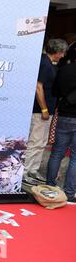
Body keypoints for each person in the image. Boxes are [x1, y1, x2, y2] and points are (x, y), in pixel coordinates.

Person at [23, 39, 68, 184]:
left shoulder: (48, 63)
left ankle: (33, 171)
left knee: (41, 142)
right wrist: (44, 109)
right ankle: (25, 172)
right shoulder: (44, 63)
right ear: (57, 51)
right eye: (62, 53)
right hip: (40, 111)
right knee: (35, 141)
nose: (63, 56)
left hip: (46, 111)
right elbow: (38, 87)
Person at [46, 56, 76, 203]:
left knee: (57, 153)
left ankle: (50, 187)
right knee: (75, 158)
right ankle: (69, 193)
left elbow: (55, 91)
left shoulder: (65, 70)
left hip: (64, 115)